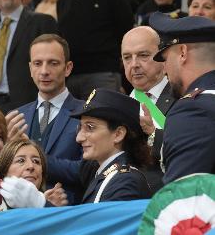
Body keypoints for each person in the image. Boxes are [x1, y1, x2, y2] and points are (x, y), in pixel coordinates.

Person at [14, 34, 83, 204]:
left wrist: (37, 157)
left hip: (68, 213)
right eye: (38, 63)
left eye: (53, 63)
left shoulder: (86, 113)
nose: (44, 71)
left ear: (68, 68)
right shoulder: (17, 116)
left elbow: (86, 170)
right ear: (30, 69)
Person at [57, 0, 134, 99]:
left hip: (102, 73)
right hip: (71, 75)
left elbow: (125, 29)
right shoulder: (63, 0)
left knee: (102, 121)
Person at [149, 13, 215, 184]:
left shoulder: (194, 110)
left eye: (165, 59)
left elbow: (181, 201)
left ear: (183, 53)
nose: (164, 70)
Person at [121, 26, 177, 193]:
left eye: (143, 55)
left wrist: (153, 132)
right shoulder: (119, 105)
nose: (134, 64)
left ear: (163, 56)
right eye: (127, 57)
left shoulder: (183, 98)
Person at [72, 88, 152, 203]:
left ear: (118, 134)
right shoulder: (103, 174)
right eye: (80, 127)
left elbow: (100, 220)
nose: (79, 138)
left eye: (90, 127)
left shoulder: (125, 181)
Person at [0, 139, 68, 207]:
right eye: (21, 160)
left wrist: (49, 207)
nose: (31, 166)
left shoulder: (50, 207)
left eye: (36, 161)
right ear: (4, 171)